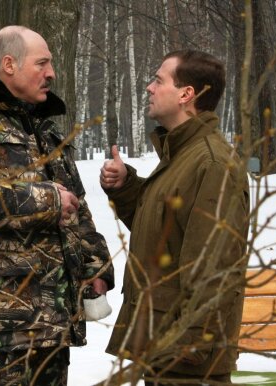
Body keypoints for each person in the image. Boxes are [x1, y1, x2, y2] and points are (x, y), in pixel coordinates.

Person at [0, 25, 114, 386]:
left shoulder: (43, 130)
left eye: (51, 65)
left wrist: (95, 264)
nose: (51, 74)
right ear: (9, 65)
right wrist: (45, 199)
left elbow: (75, 205)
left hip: (49, 324)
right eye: (42, 63)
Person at [100, 50, 250, 385]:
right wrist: (126, 187)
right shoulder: (181, 155)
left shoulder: (212, 164)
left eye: (158, 80)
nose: (149, 88)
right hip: (164, 351)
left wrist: (187, 348)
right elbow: (163, 230)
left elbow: (213, 269)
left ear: (186, 95)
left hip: (185, 363)